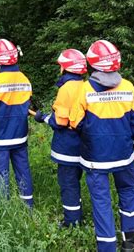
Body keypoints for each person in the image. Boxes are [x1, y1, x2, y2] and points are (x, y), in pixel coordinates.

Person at [69, 40, 134, 252]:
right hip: (124, 156)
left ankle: (107, 248)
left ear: (92, 63)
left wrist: (93, 132)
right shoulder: (128, 87)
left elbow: (75, 122)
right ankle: (129, 240)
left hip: (95, 160)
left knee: (101, 202)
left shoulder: (85, 89)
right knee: (128, 192)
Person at [33, 49, 86, 227]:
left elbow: (60, 122)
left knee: (68, 183)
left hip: (68, 146)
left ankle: (72, 222)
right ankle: (78, 214)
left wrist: (44, 118)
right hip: (85, 146)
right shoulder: (87, 85)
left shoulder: (66, 89)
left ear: (65, 68)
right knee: (76, 180)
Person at [0, 39, 34, 208]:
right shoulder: (25, 79)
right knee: (23, 170)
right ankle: (27, 205)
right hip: (20, 134)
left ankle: (2, 207)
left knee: (1, 172)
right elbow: (27, 102)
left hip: (0, 136)